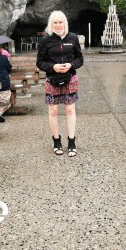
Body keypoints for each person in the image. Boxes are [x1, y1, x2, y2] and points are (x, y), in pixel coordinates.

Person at [36, 11, 83, 157]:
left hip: (70, 79)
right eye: (55, 22)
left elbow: (80, 59)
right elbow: (39, 62)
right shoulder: (46, 40)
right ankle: (56, 141)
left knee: (70, 110)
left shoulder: (73, 38)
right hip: (52, 80)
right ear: (51, 24)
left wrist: (71, 65)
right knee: (53, 111)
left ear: (65, 23)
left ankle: (71, 141)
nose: (58, 25)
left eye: (60, 22)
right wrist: (52, 67)